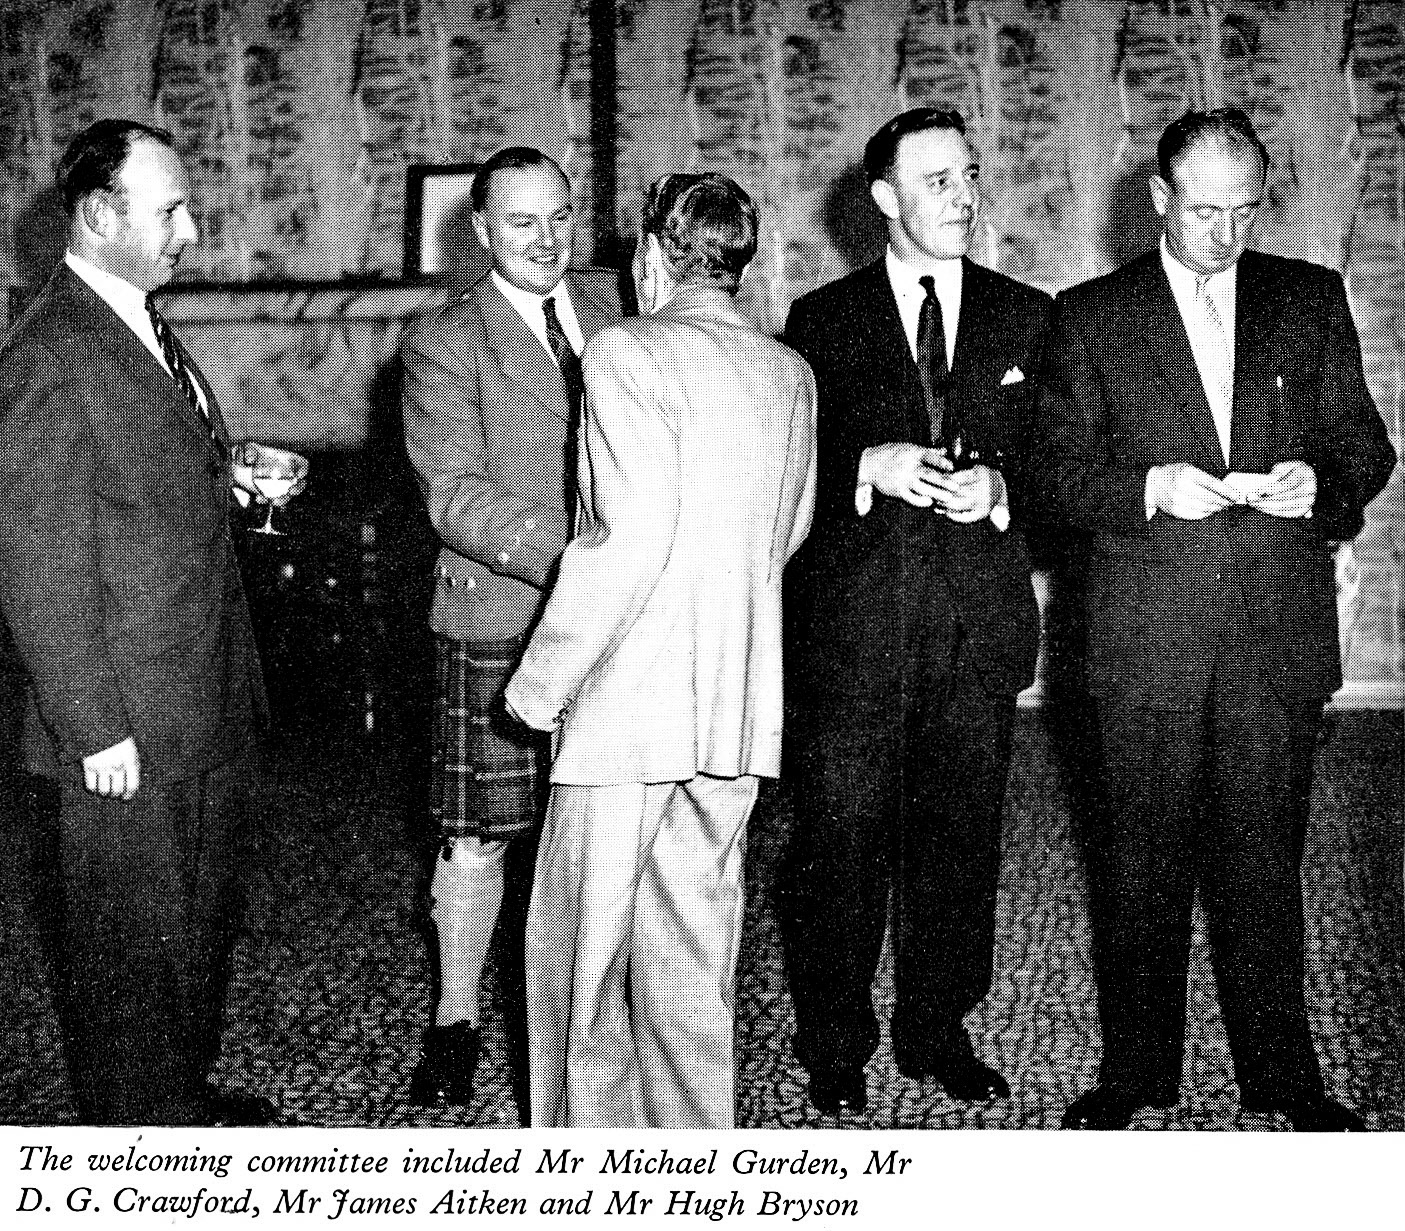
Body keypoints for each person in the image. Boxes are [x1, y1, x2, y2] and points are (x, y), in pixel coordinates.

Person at [1030, 108, 1395, 1131]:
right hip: (1142, 637)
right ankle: (1136, 1072)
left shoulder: (1307, 299)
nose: (1224, 235)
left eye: (1243, 211)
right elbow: (1051, 474)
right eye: (1202, 211)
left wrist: (1316, 478)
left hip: (1273, 635)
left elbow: (1365, 446)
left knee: (1264, 870)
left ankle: (1285, 1076)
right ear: (1157, 199)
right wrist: (1147, 485)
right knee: (1138, 869)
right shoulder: (1091, 315)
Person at [0, 118, 307, 1125]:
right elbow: (35, 556)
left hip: (199, 697)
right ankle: (144, 1150)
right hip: (125, 723)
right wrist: (93, 726)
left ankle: (179, 1097)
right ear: (98, 215)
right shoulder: (51, 350)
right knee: (130, 964)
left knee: (194, 932)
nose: (191, 228)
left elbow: (135, 488)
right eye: (169, 208)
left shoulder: (136, 322)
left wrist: (231, 476)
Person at [503, 173, 816, 1128]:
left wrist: (540, 680)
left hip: (628, 711)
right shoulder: (787, 372)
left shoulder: (623, 350)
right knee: (691, 963)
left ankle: (583, 1180)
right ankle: (691, 1165)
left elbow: (624, 539)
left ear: (650, 255)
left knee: (579, 963)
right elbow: (786, 533)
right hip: (734, 706)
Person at [779, 108, 1051, 1117]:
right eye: (937, 180)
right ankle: (835, 1043)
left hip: (975, 632)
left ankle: (940, 1029)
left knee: (959, 845)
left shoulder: (1030, 315)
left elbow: (1057, 461)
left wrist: (1003, 491)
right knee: (839, 845)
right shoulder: (821, 320)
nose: (964, 197)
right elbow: (787, 469)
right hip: (856, 635)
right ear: (883, 198)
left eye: (970, 175)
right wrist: (867, 465)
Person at [400, 147, 622, 1112]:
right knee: (478, 838)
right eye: (522, 222)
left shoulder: (619, 311)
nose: (546, 240)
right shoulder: (446, 340)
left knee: (603, 832)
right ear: (482, 230)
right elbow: (453, 495)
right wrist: (583, 553)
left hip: (615, 623)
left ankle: (593, 1020)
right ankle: (455, 1017)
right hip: (505, 613)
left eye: (561, 217)